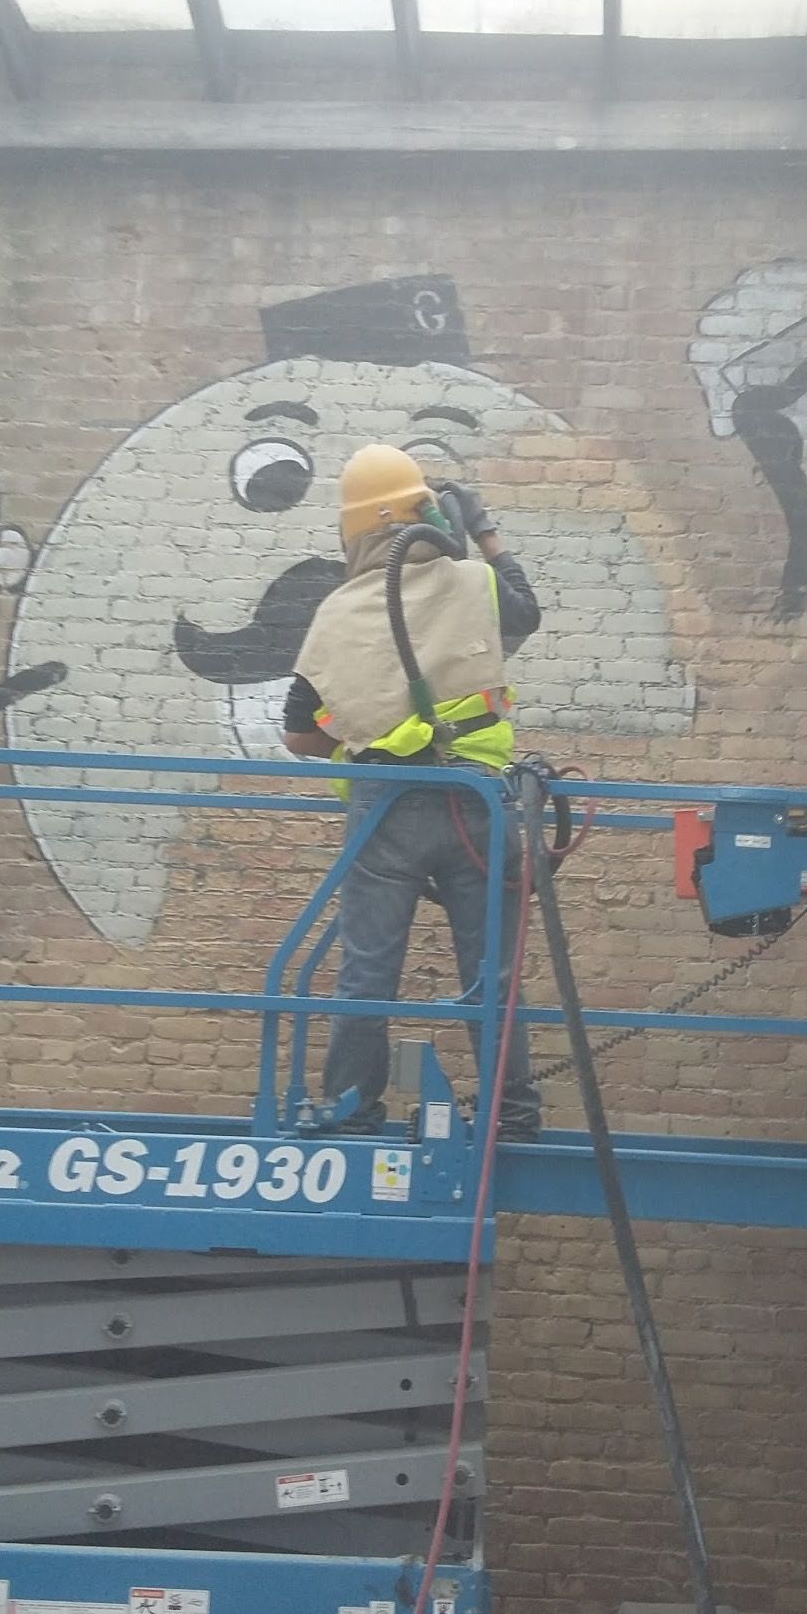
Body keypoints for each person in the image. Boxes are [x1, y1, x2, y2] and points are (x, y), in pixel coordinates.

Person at [283, 444, 543, 1140]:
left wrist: (364, 731)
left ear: (354, 529)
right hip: (477, 807)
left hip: (387, 810)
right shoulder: (474, 584)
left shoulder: (339, 612)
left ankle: (350, 1107)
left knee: (367, 970)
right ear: (431, 512)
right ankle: (511, 1115)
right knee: (493, 973)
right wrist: (484, 533)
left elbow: (298, 735)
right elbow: (526, 611)